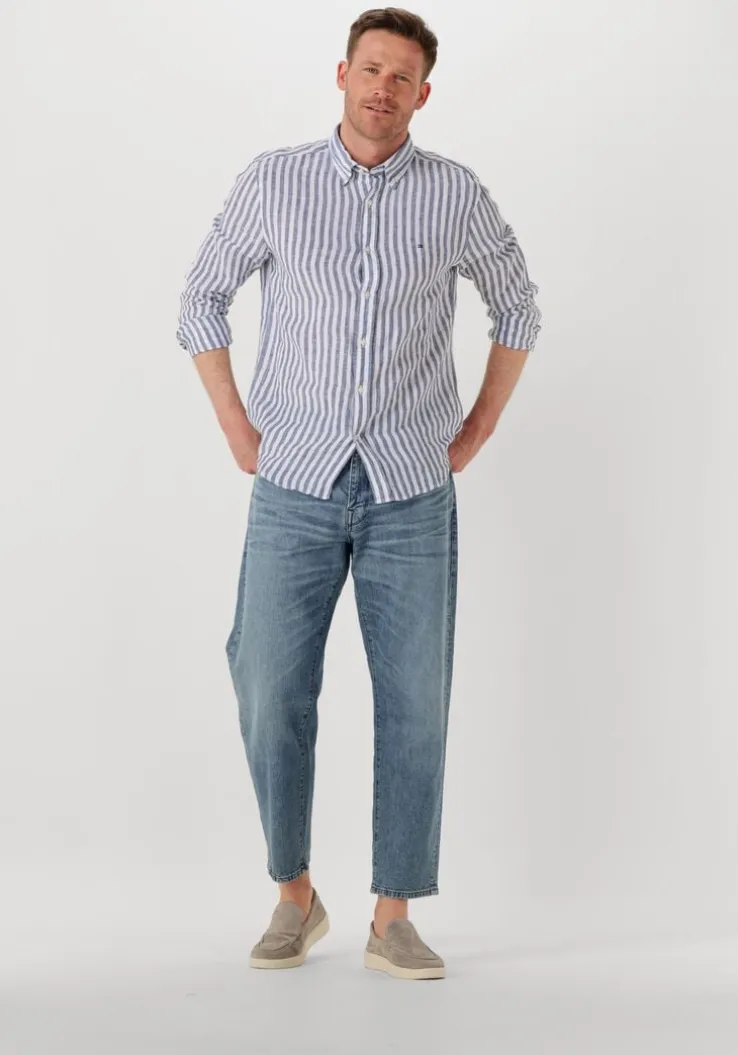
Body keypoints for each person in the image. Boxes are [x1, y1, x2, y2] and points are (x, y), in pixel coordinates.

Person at [176, 6, 542, 981]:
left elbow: (519, 305)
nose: (385, 87)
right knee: (268, 687)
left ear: (424, 94)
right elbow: (200, 297)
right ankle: (295, 894)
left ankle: (393, 914)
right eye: (371, 68)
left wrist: (475, 430)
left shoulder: (454, 193)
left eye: (402, 76)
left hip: (411, 489)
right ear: (342, 75)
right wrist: (237, 426)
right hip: (292, 480)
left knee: (416, 700)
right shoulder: (275, 181)